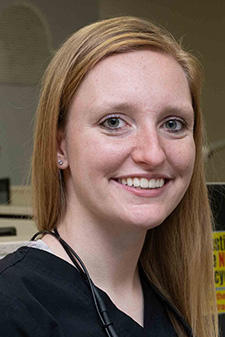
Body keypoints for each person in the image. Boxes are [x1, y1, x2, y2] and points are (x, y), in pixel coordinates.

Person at [0, 16, 218, 337]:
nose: (153, 153)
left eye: (172, 123)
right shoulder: (13, 306)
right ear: (60, 145)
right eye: (114, 122)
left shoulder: (168, 296)